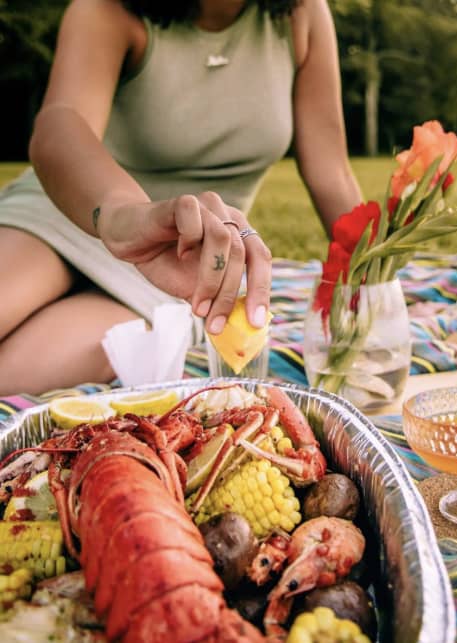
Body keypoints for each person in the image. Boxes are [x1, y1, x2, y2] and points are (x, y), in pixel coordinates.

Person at [0, 0, 362, 395]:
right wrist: (125, 213)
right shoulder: (108, 10)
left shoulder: (301, 15)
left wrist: (377, 280)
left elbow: (332, 171)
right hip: (64, 215)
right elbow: (60, 124)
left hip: (180, 264)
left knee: (12, 376)